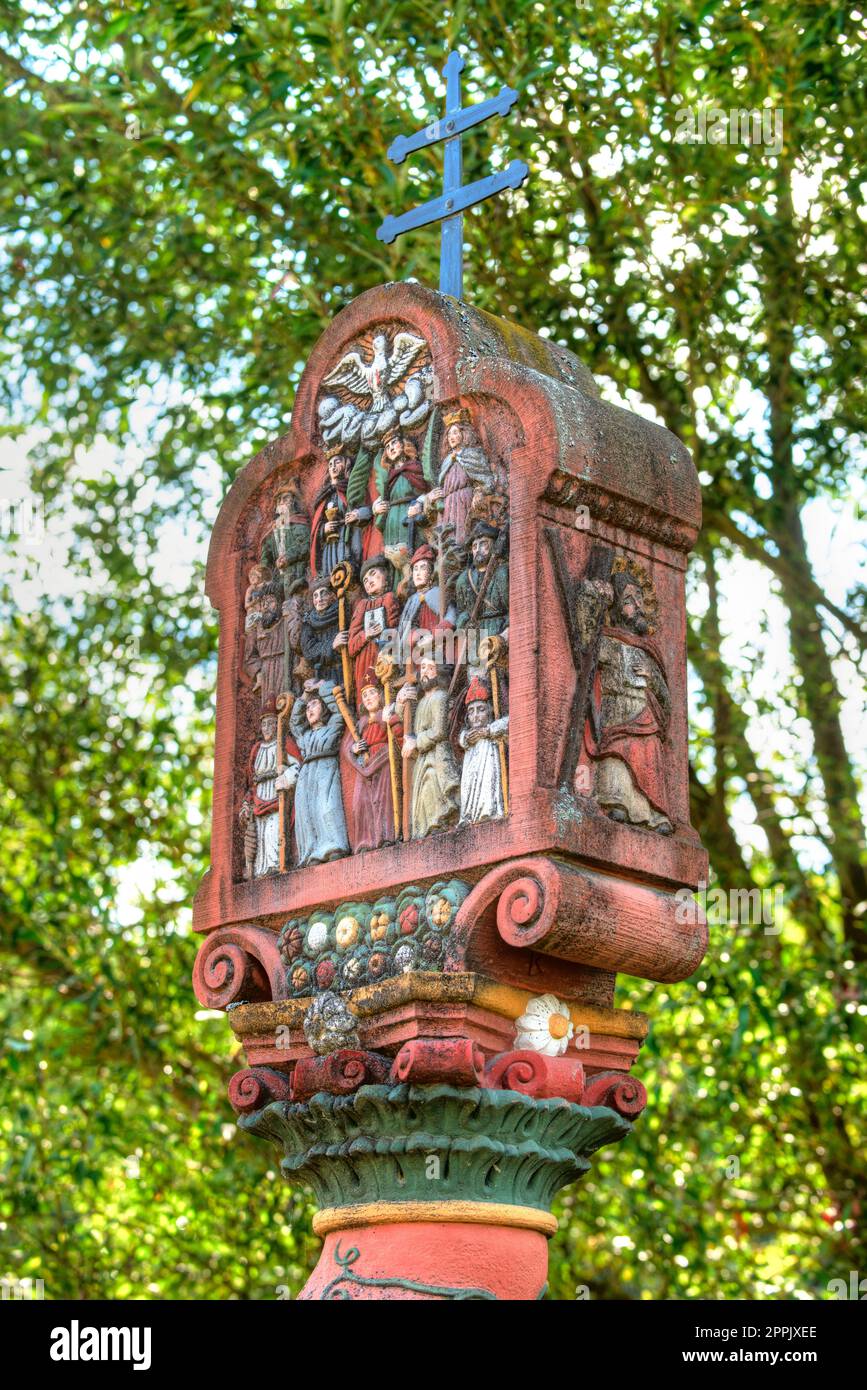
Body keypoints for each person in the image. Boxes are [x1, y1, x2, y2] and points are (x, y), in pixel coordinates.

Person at [577, 568, 673, 834]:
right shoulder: (607, 640)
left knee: (647, 763)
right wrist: (591, 597)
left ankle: (653, 814)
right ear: (618, 606)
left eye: (640, 599)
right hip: (615, 713)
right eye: (629, 600)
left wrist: (652, 678)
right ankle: (615, 802)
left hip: (645, 716)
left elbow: (666, 700)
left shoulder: (649, 651)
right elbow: (585, 643)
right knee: (615, 757)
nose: (638, 606)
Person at [410, 406, 495, 545]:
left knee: (463, 539)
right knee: (446, 543)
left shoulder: (472, 454)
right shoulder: (446, 461)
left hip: (464, 500)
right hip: (448, 505)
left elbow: (485, 480)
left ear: (464, 433)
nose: (451, 437)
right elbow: (442, 486)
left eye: (455, 433)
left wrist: (479, 492)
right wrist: (431, 498)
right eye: (449, 434)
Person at [397, 656, 460, 839]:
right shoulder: (422, 699)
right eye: (422, 667)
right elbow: (408, 722)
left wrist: (416, 741)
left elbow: (440, 731)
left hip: (436, 756)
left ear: (438, 671)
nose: (424, 671)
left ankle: (438, 826)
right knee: (420, 797)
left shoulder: (439, 697)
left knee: (430, 788)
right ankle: (426, 830)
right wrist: (401, 703)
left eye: (430, 667)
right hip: (423, 758)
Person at [341, 669, 403, 851]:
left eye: (372, 693)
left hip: (383, 760)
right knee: (361, 803)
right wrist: (354, 748)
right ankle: (366, 841)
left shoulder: (386, 712)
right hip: (365, 766)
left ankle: (385, 836)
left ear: (380, 694)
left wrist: (385, 718)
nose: (368, 698)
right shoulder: (360, 723)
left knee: (384, 799)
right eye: (364, 695)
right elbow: (348, 746)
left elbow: (394, 730)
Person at [289, 682, 350, 866]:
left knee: (327, 807)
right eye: (307, 708)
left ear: (324, 708)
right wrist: (305, 696)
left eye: (314, 705)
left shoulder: (332, 726)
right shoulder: (304, 735)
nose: (309, 710)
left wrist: (323, 687)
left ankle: (334, 847)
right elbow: (294, 722)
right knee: (308, 813)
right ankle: (312, 852)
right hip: (307, 775)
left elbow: (340, 711)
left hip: (326, 768)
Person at [239, 703, 300, 877]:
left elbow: (297, 766)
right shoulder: (257, 749)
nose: (267, 728)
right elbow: (252, 782)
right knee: (259, 838)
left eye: (271, 723)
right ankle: (260, 871)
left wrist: (285, 778)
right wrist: (247, 803)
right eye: (264, 724)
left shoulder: (284, 743)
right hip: (260, 801)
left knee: (273, 834)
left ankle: (274, 866)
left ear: (277, 724)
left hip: (277, 797)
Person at [345, 556, 400, 705]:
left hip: (384, 655)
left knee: (386, 697)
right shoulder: (362, 605)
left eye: (373, 574)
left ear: (385, 576)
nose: (369, 581)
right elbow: (351, 647)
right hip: (365, 659)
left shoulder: (390, 598)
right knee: (367, 699)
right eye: (365, 580)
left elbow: (395, 629)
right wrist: (366, 634)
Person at [458, 678, 509, 825]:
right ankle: (468, 815)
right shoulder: (469, 734)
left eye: (481, 709)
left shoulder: (492, 728)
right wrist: (466, 738)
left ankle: (488, 811)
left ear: (490, 710)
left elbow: (508, 722)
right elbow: (460, 739)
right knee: (468, 785)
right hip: (471, 761)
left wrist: (488, 731)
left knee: (488, 780)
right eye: (471, 711)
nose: (476, 716)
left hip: (489, 754)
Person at [260, 482, 310, 599]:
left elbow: (305, 546)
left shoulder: (299, 524)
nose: (281, 502)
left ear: (293, 501)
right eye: (279, 500)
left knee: (293, 599)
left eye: (285, 498)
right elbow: (265, 557)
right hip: (277, 577)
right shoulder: (272, 532)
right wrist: (263, 576)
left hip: (297, 572)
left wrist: (287, 557)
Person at [299, 575, 341, 687]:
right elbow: (309, 651)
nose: (319, 599)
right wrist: (331, 645)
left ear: (332, 596)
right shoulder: (308, 621)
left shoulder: (342, 613)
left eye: (323, 593)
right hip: (322, 675)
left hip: (342, 671)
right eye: (315, 596)